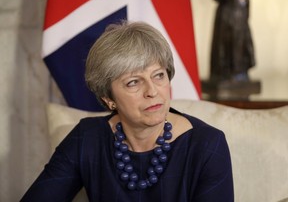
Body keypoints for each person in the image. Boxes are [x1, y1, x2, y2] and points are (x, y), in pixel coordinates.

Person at [21, 21, 234, 201]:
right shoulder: (87, 138)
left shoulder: (207, 145)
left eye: (158, 75)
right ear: (109, 99)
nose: (152, 91)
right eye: (133, 82)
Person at [210, 0, 255, 83]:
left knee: (239, 45)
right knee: (224, 46)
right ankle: (226, 72)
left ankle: (238, 72)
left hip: (238, 15)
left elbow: (246, 1)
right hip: (226, 15)